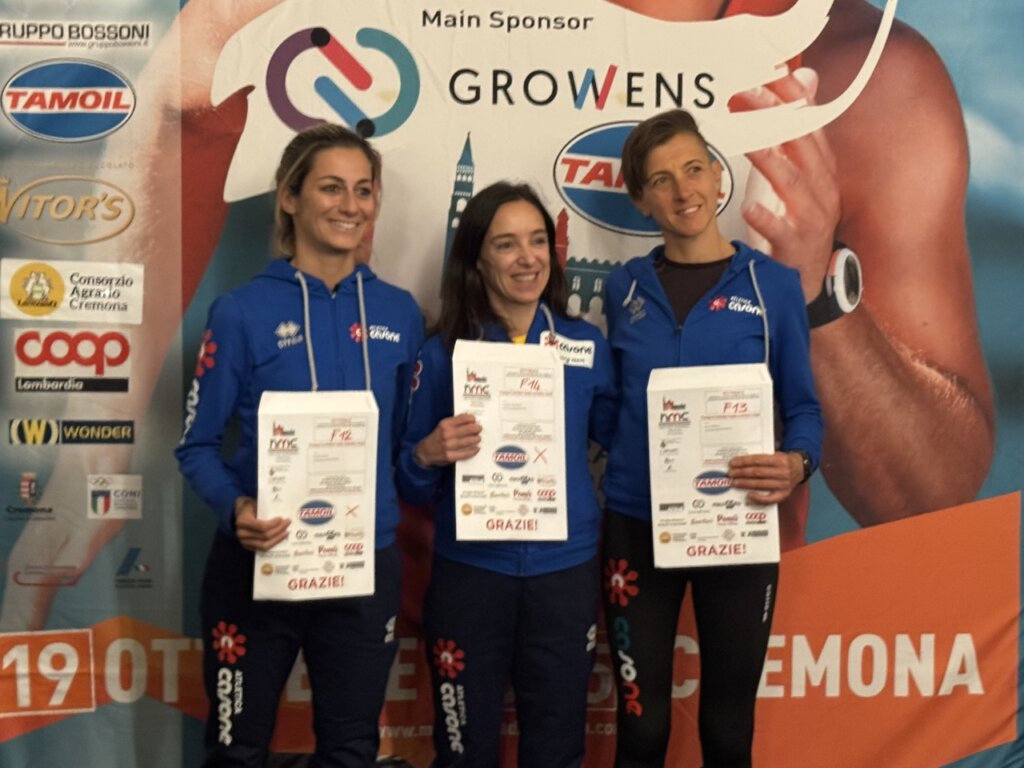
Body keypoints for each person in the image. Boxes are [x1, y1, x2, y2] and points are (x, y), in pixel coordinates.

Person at [174, 123, 423, 766]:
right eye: (331, 188)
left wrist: (431, 455)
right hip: (258, 562)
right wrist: (236, 508)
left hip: (362, 568)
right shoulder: (240, 311)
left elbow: (401, 452)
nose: (351, 205)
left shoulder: (399, 313)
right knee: (236, 750)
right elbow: (196, 446)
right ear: (289, 197)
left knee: (351, 749)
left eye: (364, 190)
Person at [601, 109, 823, 767]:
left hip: (736, 526)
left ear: (718, 175)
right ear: (641, 200)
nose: (683, 190)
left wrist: (797, 462)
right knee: (641, 730)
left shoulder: (772, 285)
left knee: (727, 731)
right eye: (661, 180)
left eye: (694, 169)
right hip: (635, 528)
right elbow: (607, 407)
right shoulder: (623, 288)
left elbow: (804, 409)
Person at [396, 181, 617, 767]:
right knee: (463, 750)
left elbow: (624, 448)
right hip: (472, 576)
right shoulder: (442, 353)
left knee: (557, 749)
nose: (527, 258)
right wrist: (426, 455)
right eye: (506, 244)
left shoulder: (585, 346)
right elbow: (410, 484)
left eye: (537, 241)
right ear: (476, 258)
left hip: (562, 576)